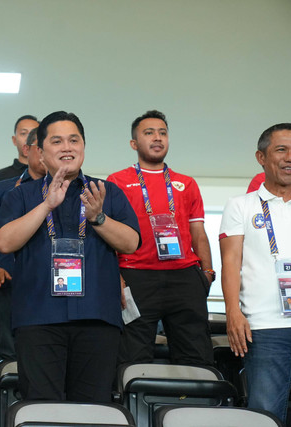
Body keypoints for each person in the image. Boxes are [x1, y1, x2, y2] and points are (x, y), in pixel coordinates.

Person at [0, 111, 140, 402]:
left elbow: (131, 242)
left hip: (97, 317)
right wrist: (46, 205)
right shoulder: (21, 195)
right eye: (57, 141)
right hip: (38, 317)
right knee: (41, 408)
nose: (67, 147)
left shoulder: (106, 192)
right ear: (40, 150)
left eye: (74, 140)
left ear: (83, 146)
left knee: (92, 410)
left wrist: (99, 218)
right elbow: (4, 242)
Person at [107, 110, 214, 366]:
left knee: (197, 355)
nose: (157, 138)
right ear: (134, 144)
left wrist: (207, 272)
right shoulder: (117, 181)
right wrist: (116, 277)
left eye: (162, 133)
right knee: (132, 356)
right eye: (149, 133)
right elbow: (108, 237)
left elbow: (198, 232)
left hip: (185, 276)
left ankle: (191, 406)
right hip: (136, 275)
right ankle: (133, 407)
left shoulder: (185, 183)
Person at [220, 123, 291, 424]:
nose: (290, 157)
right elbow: (231, 262)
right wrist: (232, 312)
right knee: (264, 415)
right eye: (281, 149)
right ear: (261, 157)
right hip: (263, 328)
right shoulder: (240, 205)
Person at [0, 127, 46, 362]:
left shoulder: (73, 190)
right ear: (27, 149)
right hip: (10, 284)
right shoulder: (3, 188)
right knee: (11, 357)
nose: (48, 152)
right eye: (42, 146)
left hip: (58, 286)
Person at [0, 115, 39, 200]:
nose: (28, 139)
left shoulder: (50, 174)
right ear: (14, 140)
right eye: (23, 133)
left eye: (33, 134)